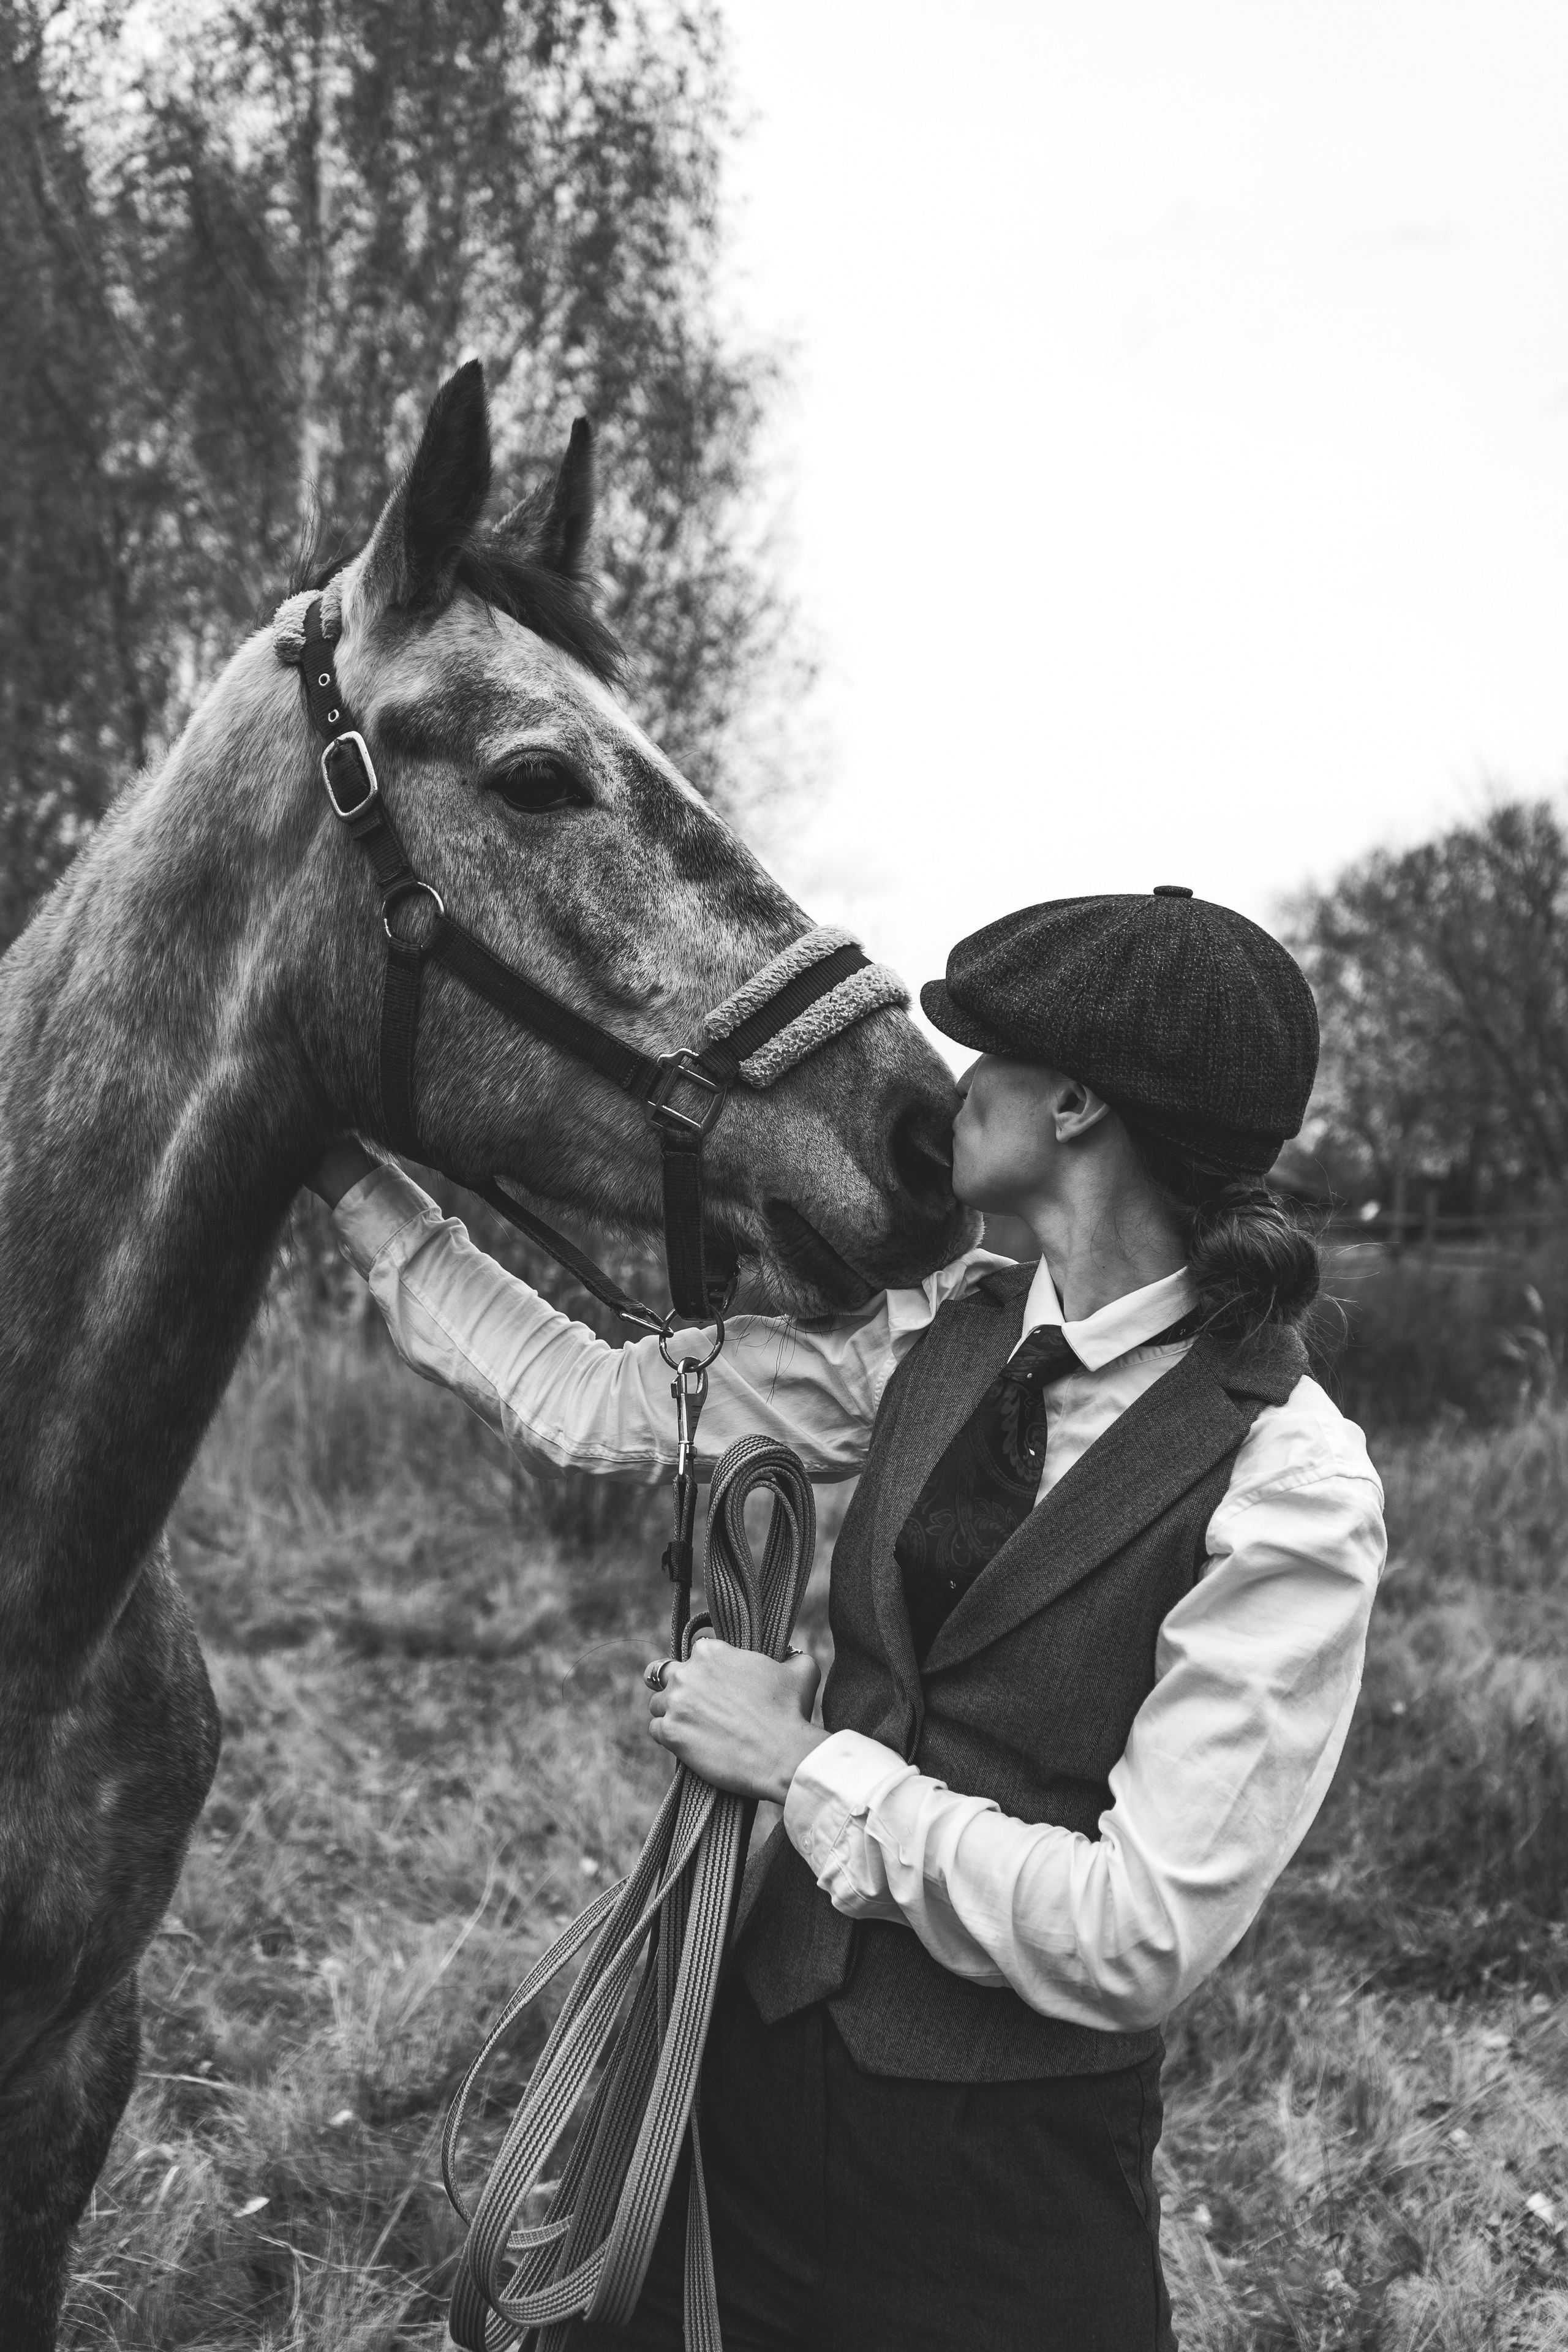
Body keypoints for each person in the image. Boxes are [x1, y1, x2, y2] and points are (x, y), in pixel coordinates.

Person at [312, 887, 1385, 2352]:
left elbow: (1137, 1934)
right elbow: (584, 1397)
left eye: (978, 1052)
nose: (948, 1089)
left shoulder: (1289, 1482)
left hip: (996, 2203)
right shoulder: (926, 1337)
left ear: (1072, 1101)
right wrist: (349, 1181)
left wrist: (799, 1760)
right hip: (745, 2088)